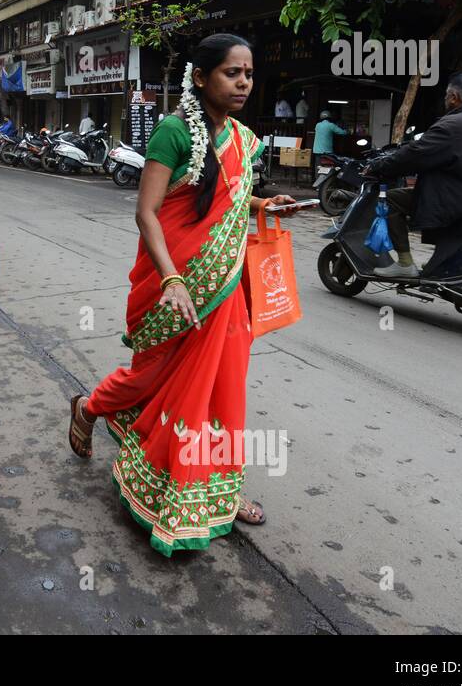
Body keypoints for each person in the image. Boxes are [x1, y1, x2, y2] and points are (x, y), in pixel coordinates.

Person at [66, 34, 298, 556]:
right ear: (201, 78)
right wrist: (171, 279)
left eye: (248, 74)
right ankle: (89, 407)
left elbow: (227, 197)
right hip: (174, 283)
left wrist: (266, 204)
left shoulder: (242, 138)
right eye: (230, 73)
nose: (242, 83)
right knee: (149, 374)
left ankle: (217, 487)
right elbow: (147, 212)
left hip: (225, 288)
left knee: (224, 387)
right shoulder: (174, 131)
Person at [365, 71, 462, 278]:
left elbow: (415, 154)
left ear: (453, 97)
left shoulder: (451, 125)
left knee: (392, 200)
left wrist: (379, 167)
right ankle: (442, 259)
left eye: (446, 96)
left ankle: (405, 263)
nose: (445, 100)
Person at [311, 109, 348, 185]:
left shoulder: (317, 125)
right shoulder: (331, 125)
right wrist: (346, 130)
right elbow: (342, 132)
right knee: (329, 167)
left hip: (317, 151)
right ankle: (326, 183)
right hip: (327, 151)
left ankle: (317, 184)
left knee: (318, 167)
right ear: (330, 118)